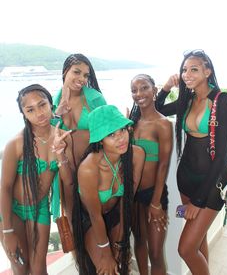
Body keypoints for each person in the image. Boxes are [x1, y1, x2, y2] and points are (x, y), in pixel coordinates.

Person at [157, 50, 227, 275]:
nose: (187, 74)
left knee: (186, 249)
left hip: (212, 185)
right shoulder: (188, 100)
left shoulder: (221, 101)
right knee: (198, 241)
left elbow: (221, 157)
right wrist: (165, 89)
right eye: (184, 69)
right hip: (186, 181)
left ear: (207, 71)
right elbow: (158, 109)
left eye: (194, 69)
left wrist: (198, 202)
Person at [0, 84, 73, 275]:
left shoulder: (62, 137)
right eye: (30, 110)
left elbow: (68, 181)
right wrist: (7, 232)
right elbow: (5, 188)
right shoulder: (16, 144)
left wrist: (60, 153)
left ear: (50, 104)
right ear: (24, 114)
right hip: (12, 210)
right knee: (20, 268)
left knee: (39, 270)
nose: (39, 113)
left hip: (40, 208)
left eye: (42, 105)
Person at [72, 104, 145, 275]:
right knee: (105, 269)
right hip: (90, 219)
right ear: (100, 140)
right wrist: (105, 253)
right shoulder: (89, 168)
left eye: (122, 130)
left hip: (116, 213)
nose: (120, 138)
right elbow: (94, 215)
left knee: (119, 264)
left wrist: (120, 240)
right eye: (111, 134)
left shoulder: (137, 155)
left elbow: (126, 200)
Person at [129, 74, 173, 275]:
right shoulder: (131, 122)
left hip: (153, 195)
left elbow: (163, 164)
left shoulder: (162, 124)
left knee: (155, 254)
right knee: (138, 242)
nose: (139, 94)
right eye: (134, 90)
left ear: (155, 90)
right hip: (133, 195)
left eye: (144, 87)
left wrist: (156, 202)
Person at [51, 53, 107, 170]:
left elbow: (107, 134)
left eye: (86, 75)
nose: (82, 79)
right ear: (65, 71)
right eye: (76, 72)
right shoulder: (50, 102)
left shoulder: (96, 99)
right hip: (62, 170)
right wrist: (57, 113)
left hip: (93, 169)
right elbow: (46, 137)